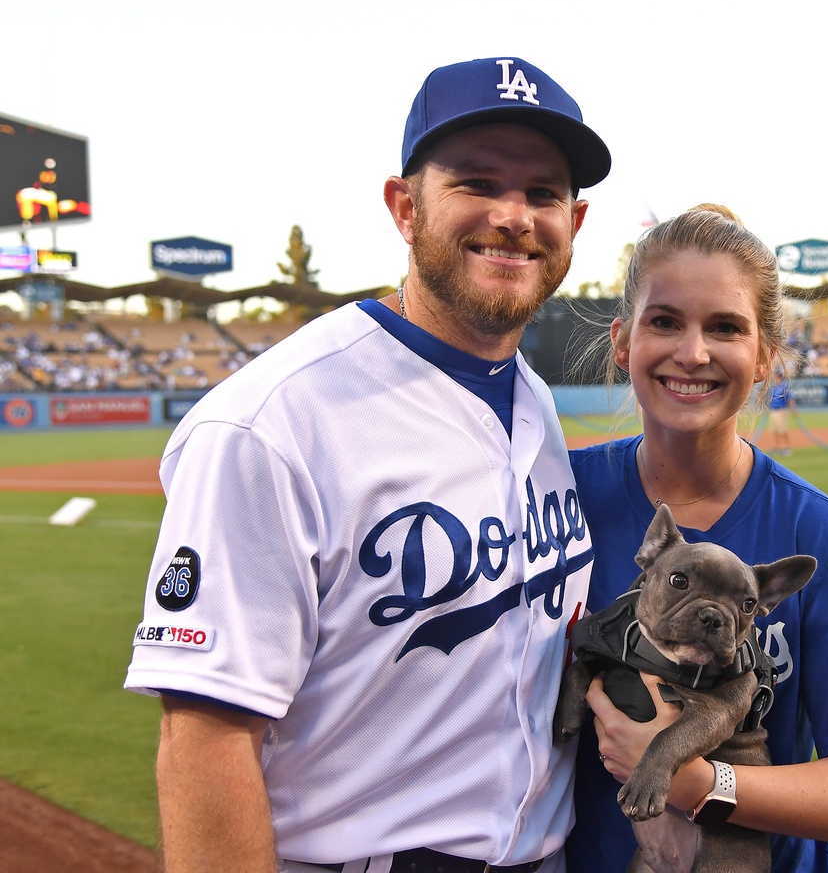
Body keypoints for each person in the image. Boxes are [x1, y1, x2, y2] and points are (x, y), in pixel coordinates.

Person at [124, 56, 610, 873]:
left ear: (576, 221)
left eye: (543, 192)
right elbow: (206, 734)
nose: (513, 215)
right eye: (477, 181)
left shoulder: (530, 397)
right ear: (404, 205)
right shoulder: (273, 421)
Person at [565, 205, 828, 873]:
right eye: (665, 322)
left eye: (725, 328)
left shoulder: (823, 536)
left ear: (766, 354)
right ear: (623, 340)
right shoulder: (558, 497)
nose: (693, 352)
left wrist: (701, 783)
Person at [765, 367, 794, 455]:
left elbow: (790, 399)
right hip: (773, 411)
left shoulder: (784, 386)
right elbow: (770, 398)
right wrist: (767, 408)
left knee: (783, 430)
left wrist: (793, 410)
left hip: (782, 410)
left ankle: (787, 447)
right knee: (775, 430)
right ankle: (777, 447)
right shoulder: (773, 387)